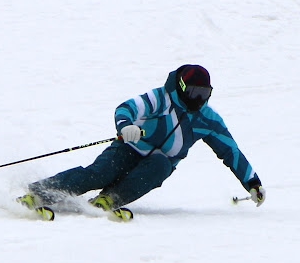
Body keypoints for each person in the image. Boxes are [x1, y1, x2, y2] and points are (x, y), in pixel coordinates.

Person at [17, 64, 266, 220]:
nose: (198, 100)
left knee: (160, 166)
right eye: (193, 93)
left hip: (159, 162)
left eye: (204, 94)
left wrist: (252, 182)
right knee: (99, 173)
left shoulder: (208, 119)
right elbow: (126, 108)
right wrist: (127, 127)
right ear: (181, 88)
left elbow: (230, 151)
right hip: (130, 147)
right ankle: (38, 193)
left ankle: (110, 199)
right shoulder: (160, 98)